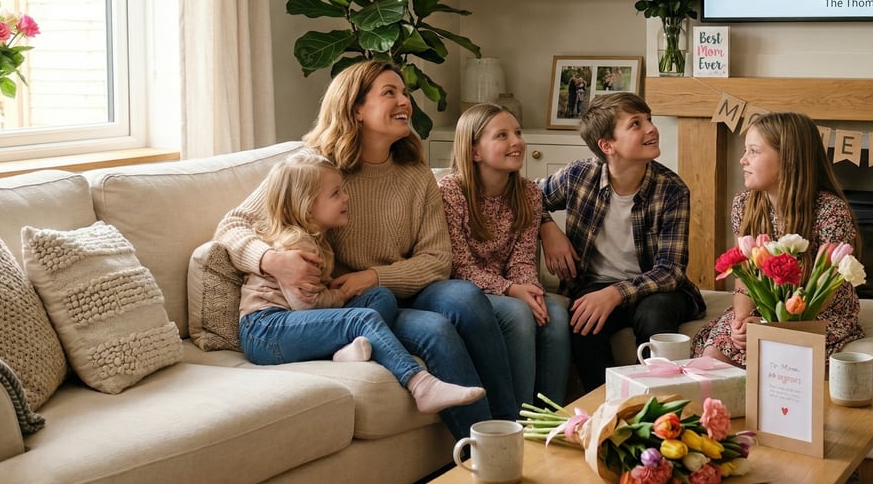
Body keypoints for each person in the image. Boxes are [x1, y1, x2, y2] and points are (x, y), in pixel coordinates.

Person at [214, 60, 516, 440]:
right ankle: (483, 450)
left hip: (388, 288)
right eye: (389, 92)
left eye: (404, 92)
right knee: (436, 331)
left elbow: (437, 261)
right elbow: (232, 225)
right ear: (356, 109)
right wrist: (272, 260)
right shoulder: (315, 169)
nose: (404, 100)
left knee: (467, 298)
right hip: (348, 303)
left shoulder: (415, 172)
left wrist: (373, 276)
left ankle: (512, 426)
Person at [236, 149, 487, 414]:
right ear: (307, 206)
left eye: (342, 190)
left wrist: (345, 294)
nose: (346, 197)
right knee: (361, 318)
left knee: (379, 295)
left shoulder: (317, 238)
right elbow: (306, 306)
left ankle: (346, 349)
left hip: (286, 324)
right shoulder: (297, 244)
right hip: (265, 330)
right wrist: (340, 297)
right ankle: (420, 384)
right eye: (336, 194)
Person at [538, 92, 705, 389]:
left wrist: (616, 293)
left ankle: (659, 404)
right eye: (636, 124)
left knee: (654, 314)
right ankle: (605, 407)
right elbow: (525, 197)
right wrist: (547, 228)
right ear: (607, 145)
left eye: (649, 120)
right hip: (594, 285)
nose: (651, 128)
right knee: (582, 322)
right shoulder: (578, 176)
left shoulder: (672, 190)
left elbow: (671, 271)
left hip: (657, 290)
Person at [691, 112, 864, 366]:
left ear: (788, 160)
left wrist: (766, 325)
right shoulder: (744, 205)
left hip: (815, 315)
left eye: (754, 151)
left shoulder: (830, 211)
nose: (742, 159)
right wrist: (742, 320)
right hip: (762, 310)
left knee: (778, 362)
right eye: (745, 150)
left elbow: (824, 294)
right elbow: (744, 277)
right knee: (712, 357)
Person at [439, 103, 571, 406]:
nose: (516, 142)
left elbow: (522, 258)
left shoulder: (528, 193)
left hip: (509, 286)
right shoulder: (450, 192)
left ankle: (552, 419)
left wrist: (531, 290)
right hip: (466, 291)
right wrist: (512, 291)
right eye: (502, 135)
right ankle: (517, 420)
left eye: (518, 133)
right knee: (518, 315)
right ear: (474, 152)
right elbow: (457, 264)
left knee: (556, 315)